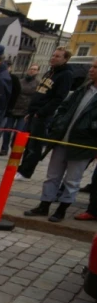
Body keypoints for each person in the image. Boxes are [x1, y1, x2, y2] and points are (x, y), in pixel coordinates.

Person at [25, 57, 97, 223]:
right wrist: (58, 122)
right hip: (62, 139)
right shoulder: (83, 88)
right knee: (52, 175)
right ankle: (44, 204)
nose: (91, 70)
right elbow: (64, 107)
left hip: (82, 144)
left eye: (95, 67)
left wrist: (89, 128)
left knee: (72, 179)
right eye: (92, 66)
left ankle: (62, 209)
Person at [16, 47, 74, 180]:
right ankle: (22, 168)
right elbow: (39, 93)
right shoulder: (49, 72)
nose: (53, 58)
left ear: (65, 59)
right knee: (27, 143)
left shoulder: (65, 75)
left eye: (58, 56)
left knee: (35, 146)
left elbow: (58, 98)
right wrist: (30, 112)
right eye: (53, 55)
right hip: (34, 112)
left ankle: (26, 172)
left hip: (43, 115)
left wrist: (41, 112)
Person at [0, 64, 39, 156]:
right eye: (31, 69)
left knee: (19, 131)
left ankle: (14, 148)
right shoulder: (20, 81)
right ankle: (4, 148)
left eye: (34, 69)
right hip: (14, 109)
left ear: (37, 72)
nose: (32, 71)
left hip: (25, 111)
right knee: (7, 130)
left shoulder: (37, 83)